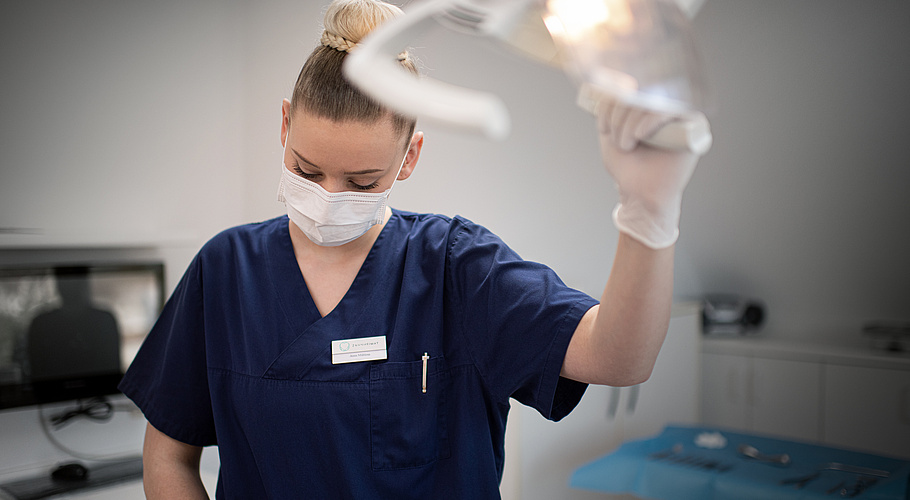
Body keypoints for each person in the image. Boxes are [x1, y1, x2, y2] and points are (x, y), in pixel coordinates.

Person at [119, 0, 704, 498]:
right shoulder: (225, 270)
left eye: (362, 182)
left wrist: (649, 210)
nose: (327, 198)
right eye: (307, 168)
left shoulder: (456, 268)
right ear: (285, 124)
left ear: (410, 157)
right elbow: (168, 453)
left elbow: (622, 358)